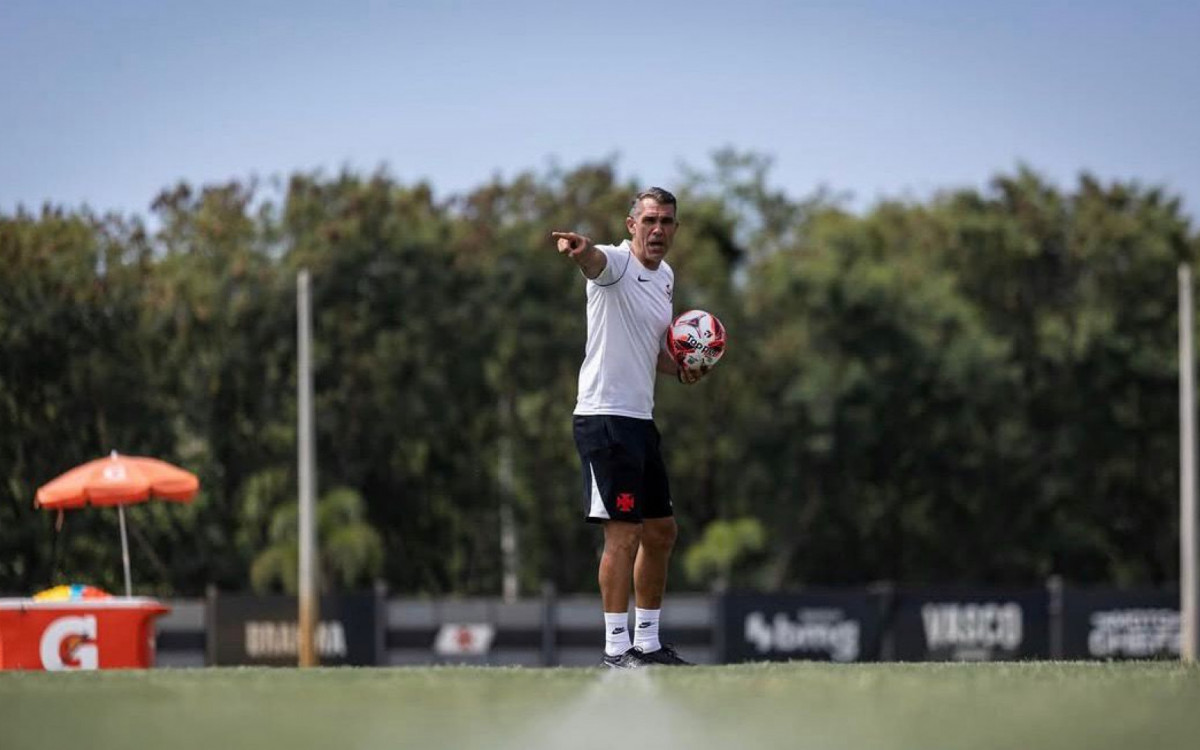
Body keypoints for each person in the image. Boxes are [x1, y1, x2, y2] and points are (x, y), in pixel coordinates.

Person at [551, 186, 708, 668]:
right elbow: (595, 264)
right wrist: (583, 253)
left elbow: (654, 350)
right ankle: (616, 650)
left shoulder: (665, 278)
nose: (657, 229)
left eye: (666, 222)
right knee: (622, 535)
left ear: (676, 229)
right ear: (631, 225)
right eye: (649, 221)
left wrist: (683, 368)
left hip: (640, 419)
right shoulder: (616, 264)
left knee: (661, 531)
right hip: (604, 418)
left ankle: (648, 642)